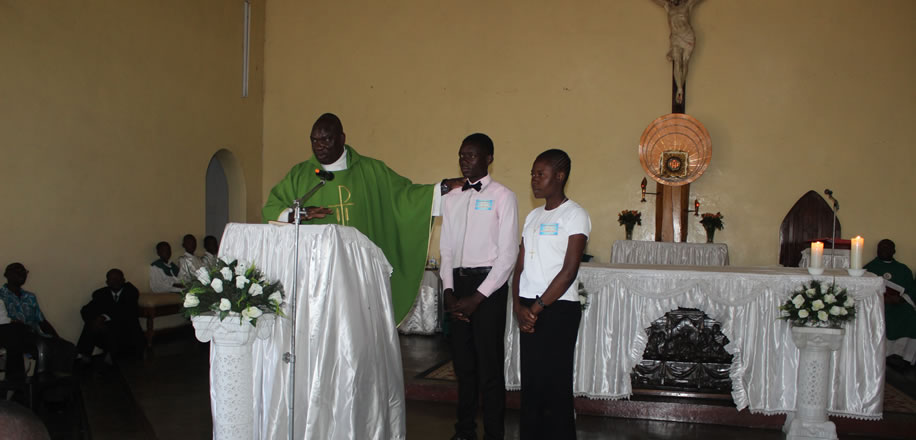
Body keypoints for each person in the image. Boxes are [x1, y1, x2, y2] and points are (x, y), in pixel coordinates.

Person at [262, 113, 462, 321]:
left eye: (326, 139)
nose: (319, 146)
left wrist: (442, 188)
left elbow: (404, 196)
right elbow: (271, 208)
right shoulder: (300, 174)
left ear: (342, 138)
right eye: (314, 140)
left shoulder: (371, 171)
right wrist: (299, 213)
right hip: (316, 273)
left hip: (359, 272)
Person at [440, 133, 518, 440]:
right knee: (463, 366)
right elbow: (445, 249)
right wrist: (448, 290)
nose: (464, 161)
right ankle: (464, 430)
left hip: (489, 286)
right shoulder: (451, 198)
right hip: (457, 283)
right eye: (461, 155)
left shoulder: (503, 196)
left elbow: (509, 254)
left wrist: (479, 296)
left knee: (489, 367)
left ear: (489, 158)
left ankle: (494, 434)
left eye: (471, 155)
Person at [511, 149, 591, 440]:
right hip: (528, 308)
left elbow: (569, 271)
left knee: (555, 386)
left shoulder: (575, 215)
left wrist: (537, 307)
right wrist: (518, 307)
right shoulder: (532, 216)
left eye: (540, 173)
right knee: (531, 386)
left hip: (557, 310)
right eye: (532, 173)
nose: (534, 179)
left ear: (560, 176)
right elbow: (519, 266)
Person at [0, 263, 75, 377]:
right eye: (17, 271)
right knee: (42, 349)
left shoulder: (30, 297)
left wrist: (57, 337)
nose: (21, 274)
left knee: (66, 347)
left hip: (35, 335)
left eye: (24, 272)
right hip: (15, 339)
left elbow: (42, 321)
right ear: (7, 275)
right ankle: (36, 384)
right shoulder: (1, 296)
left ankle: (58, 383)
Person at [864, 239, 916, 364]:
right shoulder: (869, 268)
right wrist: (883, 298)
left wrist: (901, 299)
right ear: (877, 250)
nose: (884, 250)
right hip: (879, 304)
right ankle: (883, 355)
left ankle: (903, 355)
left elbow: (911, 289)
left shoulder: (903, 269)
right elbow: (865, 288)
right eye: (881, 248)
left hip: (899, 304)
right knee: (879, 315)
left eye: (888, 248)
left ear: (894, 251)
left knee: (910, 315)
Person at [76, 269, 143, 365]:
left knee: (114, 325)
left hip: (128, 334)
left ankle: (112, 354)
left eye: (118, 279)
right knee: (91, 323)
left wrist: (103, 317)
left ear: (124, 280)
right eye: (112, 279)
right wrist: (95, 320)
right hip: (107, 332)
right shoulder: (101, 294)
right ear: (107, 282)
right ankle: (84, 355)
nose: (115, 281)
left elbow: (125, 312)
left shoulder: (131, 291)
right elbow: (86, 310)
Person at [653, 0, 703, 104]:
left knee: (684, 62)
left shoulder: (688, 4)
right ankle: (680, 88)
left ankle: (681, 86)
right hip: (675, 37)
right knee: (677, 61)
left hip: (687, 36)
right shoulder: (668, 6)